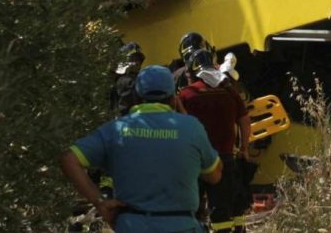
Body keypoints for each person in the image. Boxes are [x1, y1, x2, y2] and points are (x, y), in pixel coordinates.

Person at [60, 65, 222, 233]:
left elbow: (69, 159)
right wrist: (186, 121)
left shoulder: (116, 129)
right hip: (182, 225)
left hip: (132, 224)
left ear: (136, 97)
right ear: (174, 99)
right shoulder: (191, 128)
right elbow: (214, 175)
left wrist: (100, 201)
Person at [179, 49, 252, 233]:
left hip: (195, 161)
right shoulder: (230, 92)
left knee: (192, 209)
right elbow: (244, 121)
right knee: (223, 211)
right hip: (225, 159)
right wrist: (244, 148)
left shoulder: (186, 95)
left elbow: (177, 125)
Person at [110, 41, 146, 116]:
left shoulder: (139, 80)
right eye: (132, 59)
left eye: (138, 60)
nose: (136, 63)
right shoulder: (127, 81)